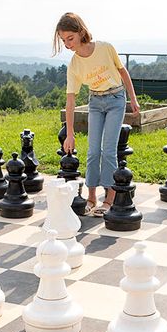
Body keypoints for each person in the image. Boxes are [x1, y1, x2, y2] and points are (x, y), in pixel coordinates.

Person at [54, 12, 140, 215]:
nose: (67, 44)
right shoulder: (74, 64)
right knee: (93, 151)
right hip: (95, 102)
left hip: (116, 100)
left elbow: (122, 72)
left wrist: (133, 98)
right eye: (63, 40)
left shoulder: (105, 48)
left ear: (80, 31)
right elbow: (70, 100)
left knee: (108, 151)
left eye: (70, 38)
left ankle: (109, 199)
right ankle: (91, 197)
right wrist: (70, 133)